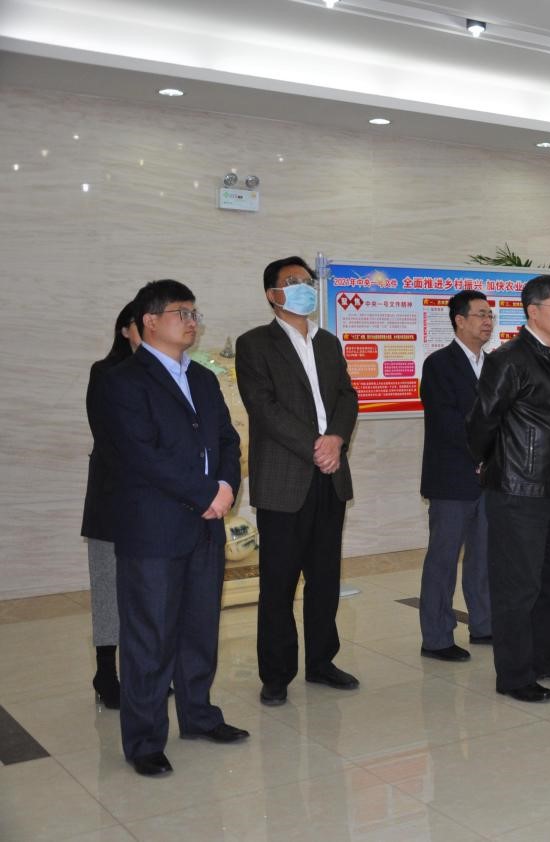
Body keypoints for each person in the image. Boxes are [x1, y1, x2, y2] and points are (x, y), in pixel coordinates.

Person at [102, 279, 245, 776]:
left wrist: (226, 485)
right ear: (150, 322)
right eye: (181, 312)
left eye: (194, 312)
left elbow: (227, 439)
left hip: (206, 524)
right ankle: (144, 740)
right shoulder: (123, 380)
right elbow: (140, 454)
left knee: (200, 629)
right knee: (150, 637)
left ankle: (199, 715)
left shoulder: (202, 377)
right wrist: (206, 494)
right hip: (154, 527)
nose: (191, 321)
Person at [236, 256, 361, 707]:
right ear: (272, 294)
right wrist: (317, 447)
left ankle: (322, 662)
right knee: (279, 583)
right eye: (293, 281)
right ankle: (276, 674)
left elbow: (348, 396)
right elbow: (263, 407)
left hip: (331, 477)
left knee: (325, 578)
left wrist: (337, 439)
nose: (304, 287)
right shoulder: (255, 344)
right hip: (285, 478)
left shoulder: (328, 342)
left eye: (307, 280)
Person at [467, 274, 550, 703]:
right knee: (518, 586)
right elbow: (481, 422)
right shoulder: (509, 359)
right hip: (517, 489)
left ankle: (543, 657)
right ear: (533, 311)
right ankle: (515, 675)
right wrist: (491, 463)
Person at [418, 290, 495, 662]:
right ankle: (436, 637)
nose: (487, 321)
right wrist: (480, 455)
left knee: (484, 557)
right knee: (443, 559)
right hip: (452, 477)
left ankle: (485, 624)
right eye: (480, 314)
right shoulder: (439, 364)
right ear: (459, 320)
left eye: (490, 315)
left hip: (489, 477)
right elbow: (447, 422)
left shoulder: (494, 364)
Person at [82, 303, 141, 709]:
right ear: (125, 330)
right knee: (108, 587)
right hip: (112, 497)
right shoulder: (105, 373)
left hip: (156, 502)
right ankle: (106, 672)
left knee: (146, 592)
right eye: (143, 323)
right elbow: (108, 434)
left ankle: (144, 673)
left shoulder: (170, 372)